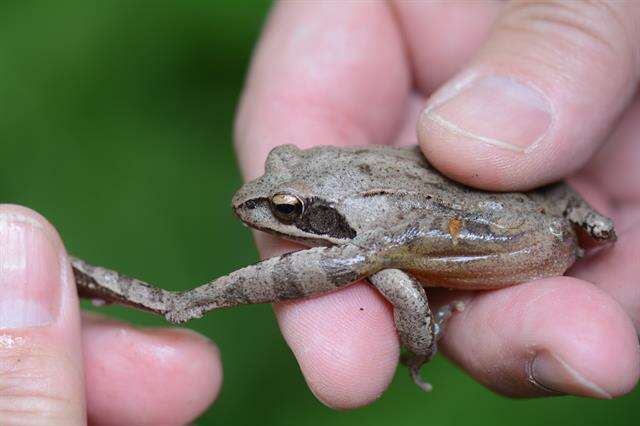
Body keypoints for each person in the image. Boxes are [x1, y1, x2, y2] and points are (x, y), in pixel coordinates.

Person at [1, 2, 638, 424]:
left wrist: (419, 350)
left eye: (286, 209)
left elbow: (412, 308)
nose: (264, 209)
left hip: (525, 233)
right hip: (549, 196)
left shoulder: (371, 253)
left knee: (397, 276)